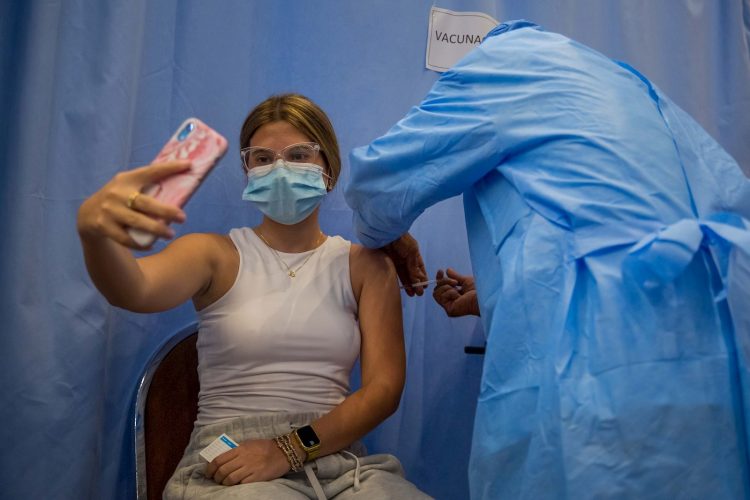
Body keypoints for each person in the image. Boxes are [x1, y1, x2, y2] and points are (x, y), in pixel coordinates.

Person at [345, 20, 750, 500]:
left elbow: (380, 183)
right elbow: (726, 201)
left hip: (600, 359)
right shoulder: (633, 88)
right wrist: (502, 294)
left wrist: (389, 235)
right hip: (714, 351)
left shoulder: (502, 65)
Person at [77, 94, 431, 499]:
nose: (280, 169)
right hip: (231, 462)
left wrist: (289, 449)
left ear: (328, 170)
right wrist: (97, 237)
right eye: (263, 158)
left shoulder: (367, 266)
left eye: (299, 154)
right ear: (247, 170)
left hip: (335, 456)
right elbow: (133, 289)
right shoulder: (212, 255)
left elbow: (383, 391)